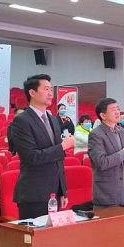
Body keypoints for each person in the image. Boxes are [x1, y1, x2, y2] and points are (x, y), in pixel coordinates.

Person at [11, 74, 74, 219]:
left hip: (54, 193)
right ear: (32, 92)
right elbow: (31, 157)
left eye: (51, 89)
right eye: (46, 89)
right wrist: (63, 147)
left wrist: (62, 191)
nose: (51, 93)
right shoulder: (22, 121)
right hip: (34, 194)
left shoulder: (53, 119)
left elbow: (58, 160)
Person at [88, 98, 124, 208]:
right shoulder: (96, 134)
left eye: (118, 109)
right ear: (103, 115)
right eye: (113, 109)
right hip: (107, 193)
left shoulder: (123, 132)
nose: (117, 112)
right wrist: (122, 154)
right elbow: (101, 162)